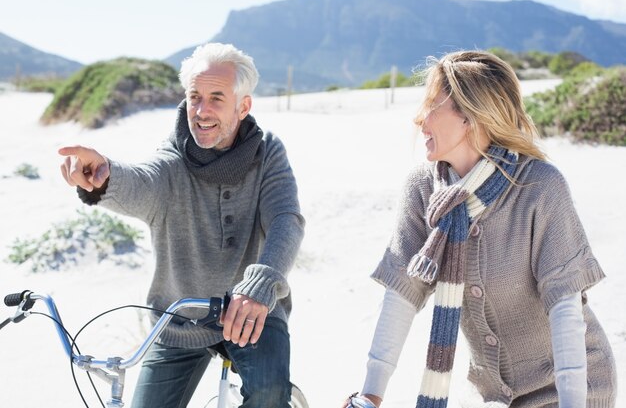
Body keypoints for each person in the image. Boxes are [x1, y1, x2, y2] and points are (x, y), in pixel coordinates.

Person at [344, 50, 616, 408]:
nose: (418, 118)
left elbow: (565, 308)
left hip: (572, 389)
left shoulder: (539, 187)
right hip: (493, 395)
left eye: (431, 105)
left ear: (470, 116)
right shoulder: (423, 189)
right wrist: (369, 395)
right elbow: (401, 293)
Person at [59, 42, 305, 408]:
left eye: (216, 98)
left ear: (244, 106)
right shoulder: (174, 157)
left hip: (252, 310)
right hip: (180, 318)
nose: (202, 111)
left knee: (269, 396)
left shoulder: (267, 152)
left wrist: (261, 283)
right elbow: (144, 182)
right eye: (195, 97)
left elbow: (286, 218)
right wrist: (104, 176)